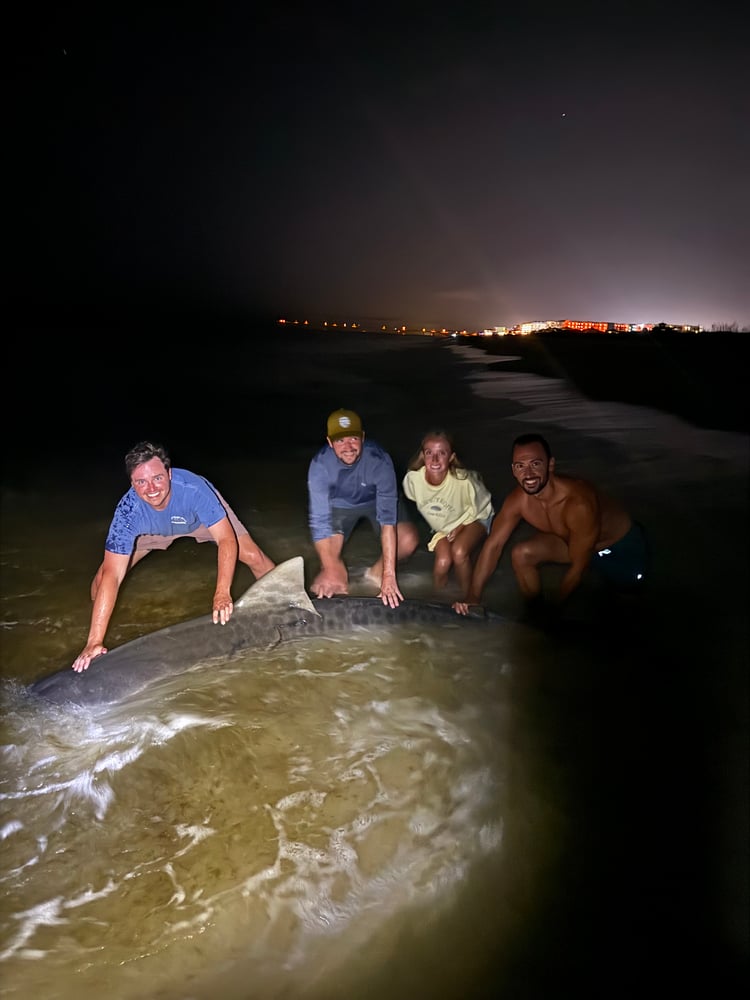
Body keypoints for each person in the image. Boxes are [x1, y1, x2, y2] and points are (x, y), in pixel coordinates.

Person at [71, 441, 275, 672]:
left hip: (197, 520)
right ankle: (92, 637)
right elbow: (112, 576)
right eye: (141, 482)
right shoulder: (128, 511)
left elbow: (226, 540)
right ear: (132, 484)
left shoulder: (194, 489)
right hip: (151, 530)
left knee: (252, 555)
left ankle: (288, 602)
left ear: (169, 473)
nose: (151, 488)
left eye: (157, 478)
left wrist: (222, 592)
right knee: (101, 580)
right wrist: (94, 641)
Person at [453, 433, 648, 619]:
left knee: (626, 608)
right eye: (520, 466)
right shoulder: (518, 501)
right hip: (574, 543)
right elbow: (493, 546)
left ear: (551, 465)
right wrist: (473, 596)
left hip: (619, 548)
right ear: (513, 470)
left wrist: (554, 613)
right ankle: (534, 611)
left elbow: (578, 569)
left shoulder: (577, 503)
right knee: (522, 554)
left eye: (535, 464)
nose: (528, 474)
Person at [307, 409, 419, 608]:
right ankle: (335, 572)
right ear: (330, 442)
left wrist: (388, 576)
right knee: (327, 583)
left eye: (353, 438)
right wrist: (331, 567)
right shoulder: (319, 465)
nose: (348, 447)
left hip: (375, 501)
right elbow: (319, 521)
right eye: (340, 441)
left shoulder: (380, 460)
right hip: (339, 507)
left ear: (362, 438)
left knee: (408, 541)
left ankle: (373, 575)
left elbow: (387, 520)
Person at [402, 429, 494, 595]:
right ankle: (439, 600)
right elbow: (421, 504)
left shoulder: (464, 481)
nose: (435, 459)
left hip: (476, 516)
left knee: (459, 552)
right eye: (429, 453)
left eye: (442, 453)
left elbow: (483, 507)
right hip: (445, 524)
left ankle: (469, 599)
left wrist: (460, 527)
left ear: (451, 457)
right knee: (443, 561)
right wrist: (441, 525)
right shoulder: (412, 480)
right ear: (423, 455)